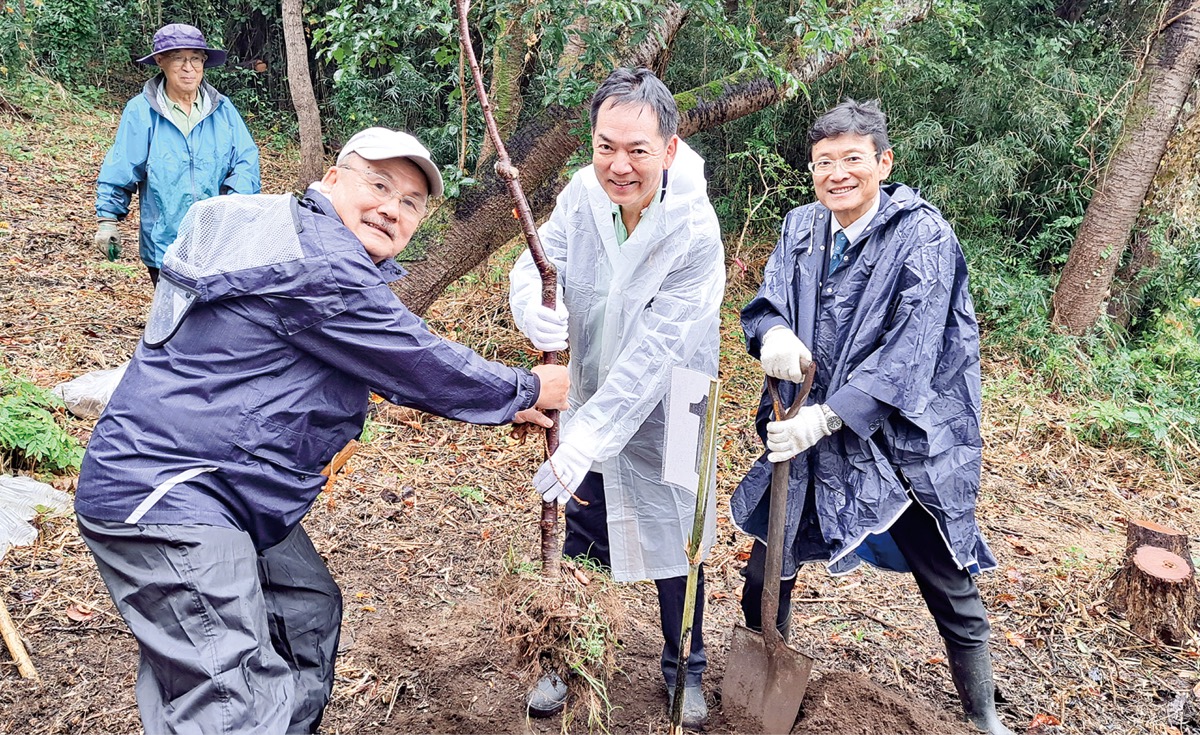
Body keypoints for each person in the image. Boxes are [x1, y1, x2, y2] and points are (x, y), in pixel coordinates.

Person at [74, 127, 570, 735]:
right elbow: (414, 360)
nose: (392, 207)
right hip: (169, 493)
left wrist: (503, 406)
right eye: (379, 184)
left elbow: (377, 359)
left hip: (229, 490)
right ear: (330, 180)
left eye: (411, 203)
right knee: (229, 693)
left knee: (303, 612)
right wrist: (527, 389)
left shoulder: (311, 252)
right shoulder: (322, 262)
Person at [730, 98, 1015, 735]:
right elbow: (769, 298)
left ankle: (984, 713)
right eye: (823, 162)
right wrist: (772, 332)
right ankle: (759, 675)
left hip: (898, 435)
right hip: (801, 417)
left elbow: (911, 351)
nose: (837, 174)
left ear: (883, 162)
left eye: (852, 160)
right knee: (768, 559)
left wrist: (833, 416)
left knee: (943, 570)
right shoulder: (801, 226)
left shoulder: (924, 236)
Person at [509, 68, 725, 729]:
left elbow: (658, 353)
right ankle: (564, 656)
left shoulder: (694, 227)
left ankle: (683, 668)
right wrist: (531, 303)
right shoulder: (581, 193)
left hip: (679, 402)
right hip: (595, 385)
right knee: (584, 527)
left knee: (678, 541)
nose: (620, 165)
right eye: (606, 146)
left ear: (668, 147)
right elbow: (539, 257)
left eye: (637, 149)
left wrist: (587, 434)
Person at [94, 23, 260, 285]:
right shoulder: (141, 112)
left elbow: (245, 161)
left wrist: (234, 205)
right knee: (174, 318)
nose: (188, 67)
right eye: (178, 58)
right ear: (160, 61)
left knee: (214, 320)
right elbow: (122, 165)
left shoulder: (223, 110)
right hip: (164, 243)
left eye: (195, 58)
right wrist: (108, 219)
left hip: (217, 242)